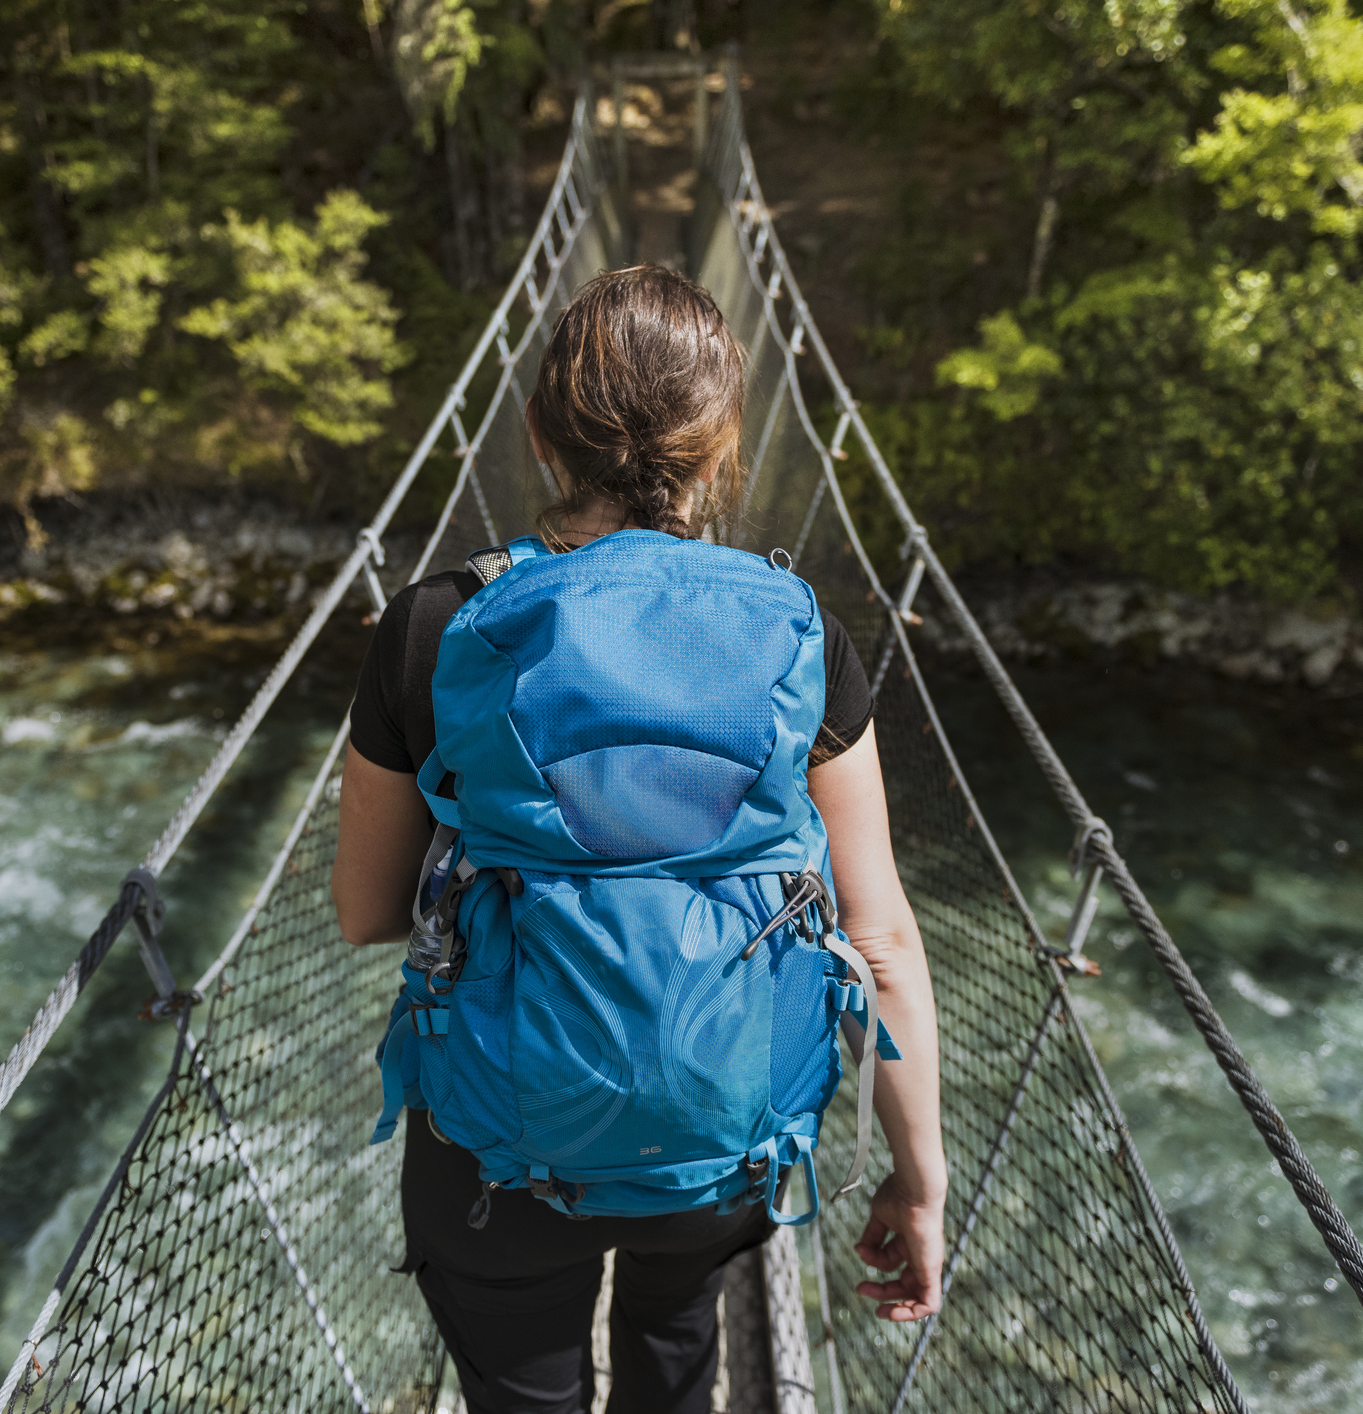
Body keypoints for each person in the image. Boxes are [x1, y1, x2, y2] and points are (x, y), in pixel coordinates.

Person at [331, 265, 945, 1414]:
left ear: (534, 434)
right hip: (723, 1130)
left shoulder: (434, 622)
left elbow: (366, 912)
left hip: (496, 1148)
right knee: (676, 1333)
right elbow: (884, 942)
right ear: (723, 452)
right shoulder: (802, 634)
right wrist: (922, 1182)